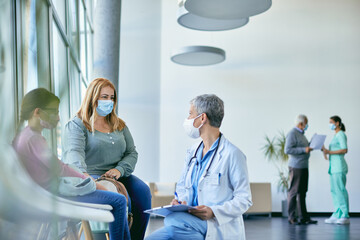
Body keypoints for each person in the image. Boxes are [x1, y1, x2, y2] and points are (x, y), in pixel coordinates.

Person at [12, 88, 130, 240]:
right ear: (37, 112)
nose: (58, 118)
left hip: (48, 193)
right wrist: (92, 182)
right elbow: (60, 168)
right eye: (54, 112)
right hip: (56, 195)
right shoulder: (33, 139)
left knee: (117, 200)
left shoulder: (24, 136)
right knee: (119, 200)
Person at [145, 94, 252, 240]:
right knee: (165, 227)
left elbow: (244, 199)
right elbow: (182, 186)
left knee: (173, 221)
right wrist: (181, 202)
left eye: (190, 114)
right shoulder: (192, 152)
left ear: (202, 118)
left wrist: (213, 211)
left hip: (216, 224)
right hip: (190, 221)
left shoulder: (232, 154)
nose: (187, 119)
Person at [63, 77, 151, 240]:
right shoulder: (78, 125)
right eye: (104, 97)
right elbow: (74, 156)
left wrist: (120, 170)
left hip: (118, 174)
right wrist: (87, 179)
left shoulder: (119, 124)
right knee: (124, 200)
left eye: (112, 98)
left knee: (143, 192)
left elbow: (132, 153)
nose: (109, 101)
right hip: (92, 175)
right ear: (93, 97)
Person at [284, 114, 317, 225]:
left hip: (303, 166)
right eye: (306, 123)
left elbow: (303, 147)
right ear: (300, 123)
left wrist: (310, 146)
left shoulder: (301, 134)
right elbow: (287, 149)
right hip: (296, 166)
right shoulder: (292, 133)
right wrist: (304, 149)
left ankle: (304, 217)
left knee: (302, 192)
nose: (307, 125)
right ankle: (292, 217)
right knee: (293, 192)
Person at [322, 116, 350, 225]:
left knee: (340, 190)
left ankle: (345, 215)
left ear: (337, 123)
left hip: (339, 167)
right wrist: (325, 151)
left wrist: (329, 152)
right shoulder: (335, 136)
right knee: (334, 191)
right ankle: (337, 213)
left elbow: (344, 149)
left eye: (331, 122)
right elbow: (332, 151)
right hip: (333, 168)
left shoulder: (341, 134)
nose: (330, 124)